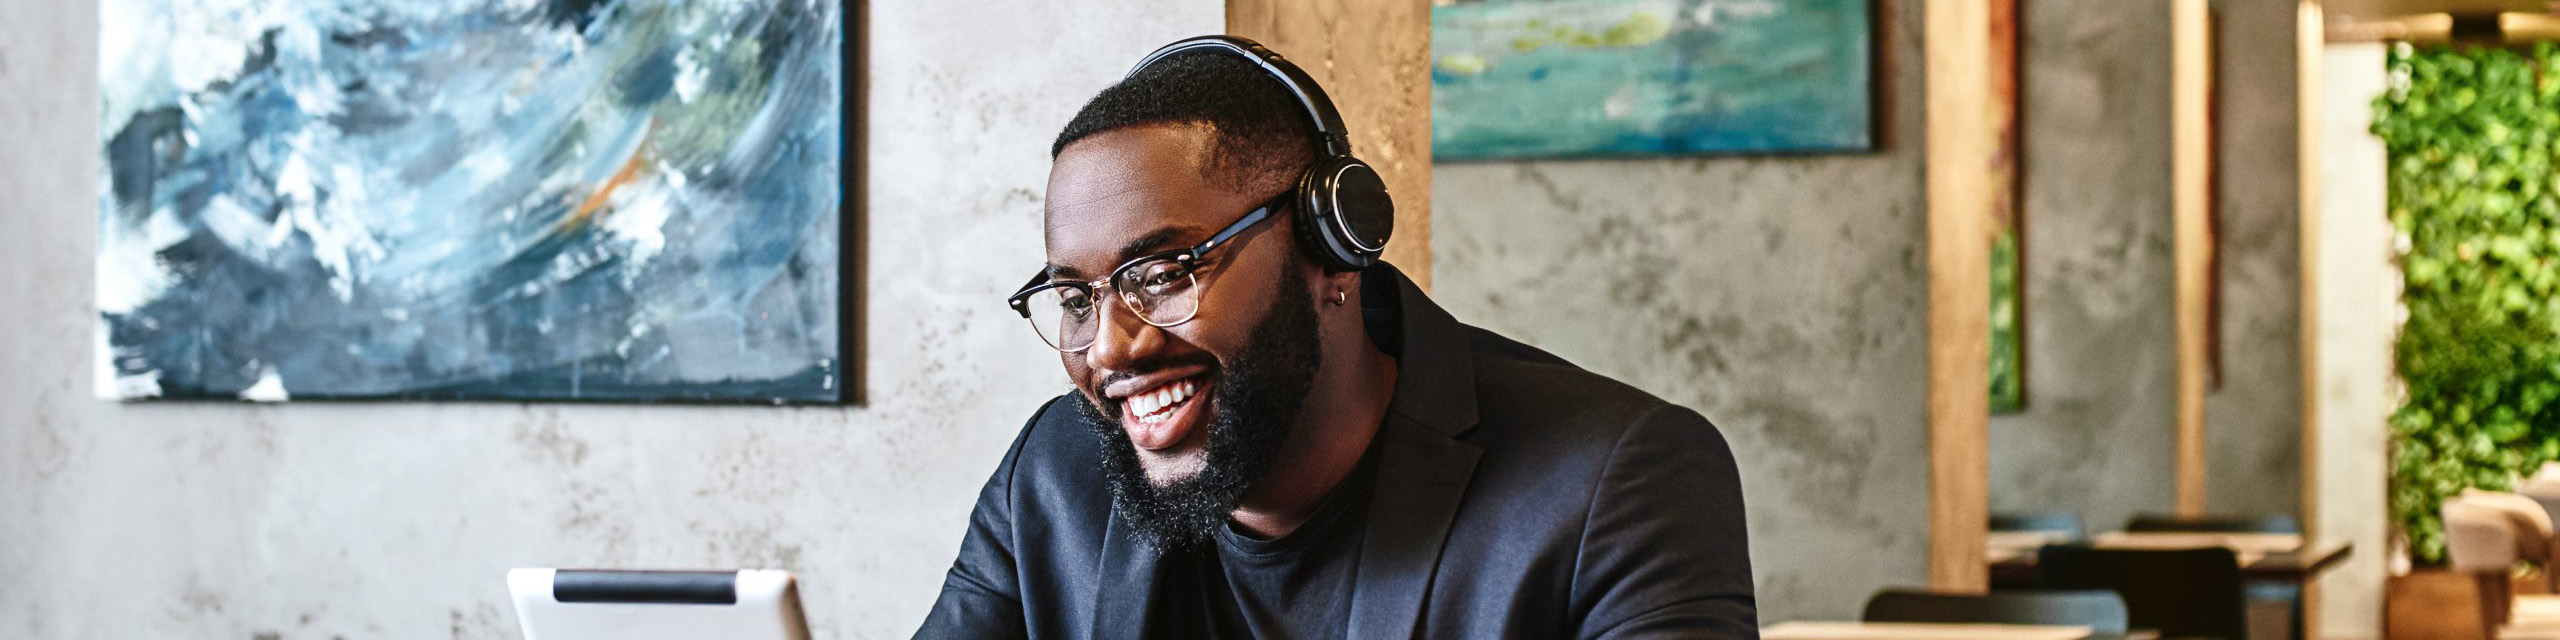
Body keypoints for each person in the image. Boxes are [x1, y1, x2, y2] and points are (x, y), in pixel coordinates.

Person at [916, 36, 1755, 639]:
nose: (1110, 349)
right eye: (1074, 296)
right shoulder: (1054, 478)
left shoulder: (1611, 482)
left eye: (1166, 273)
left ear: (1332, 251)